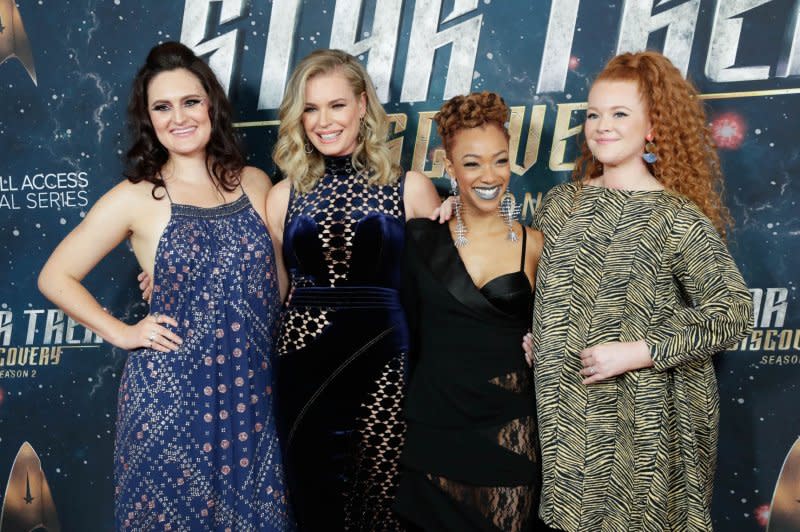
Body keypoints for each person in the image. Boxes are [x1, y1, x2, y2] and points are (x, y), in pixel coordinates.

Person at [38, 42, 293, 531]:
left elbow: (277, 287)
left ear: (211, 105)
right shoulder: (137, 196)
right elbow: (55, 276)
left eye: (190, 101)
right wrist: (125, 332)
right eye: (162, 106)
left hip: (251, 395)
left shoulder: (256, 183)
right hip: (170, 403)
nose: (179, 116)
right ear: (148, 118)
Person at [525, 51, 753, 531]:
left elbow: (733, 312)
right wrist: (538, 336)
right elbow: (542, 287)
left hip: (640, 432)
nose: (601, 126)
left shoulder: (675, 218)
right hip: (565, 425)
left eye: (620, 114)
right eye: (593, 114)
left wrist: (640, 351)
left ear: (652, 127)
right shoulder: (561, 205)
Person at [266, 49, 444, 530]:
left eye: (337, 105)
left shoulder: (410, 188)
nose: (323, 121)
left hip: (384, 369)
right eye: (310, 108)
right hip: (302, 370)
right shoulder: (281, 196)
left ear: (363, 106)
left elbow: (441, 297)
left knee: (381, 504)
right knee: (314, 504)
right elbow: (271, 291)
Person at [393, 92, 544, 532]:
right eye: (473, 163)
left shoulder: (535, 244)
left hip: (507, 435)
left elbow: (566, 331)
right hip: (431, 432)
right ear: (449, 166)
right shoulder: (421, 238)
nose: (489, 176)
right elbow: (404, 332)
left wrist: (547, 347)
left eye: (500, 161)